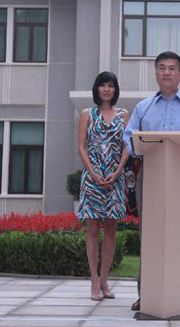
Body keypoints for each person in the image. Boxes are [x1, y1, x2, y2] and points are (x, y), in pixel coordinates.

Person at [123, 51, 180, 312]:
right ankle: (146, 293)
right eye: (162, 68)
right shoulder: (143, 107)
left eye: (172, 68)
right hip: (148, 175)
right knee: (148, 235)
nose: (166, 72)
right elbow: (129, 139)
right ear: (155, 73)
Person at [77, 71, 129, 302]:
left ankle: (105, 278)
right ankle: (94, 281)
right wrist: (94, 174)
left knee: (110, 230)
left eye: (111, 85)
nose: (107, 89)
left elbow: (128, 146)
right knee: (92, 230)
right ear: (96, 88)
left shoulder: (124, 115)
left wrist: (118, 171)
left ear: (115, 90)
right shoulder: (87, 114)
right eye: (103, 85)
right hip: (92, 180)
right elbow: (81, 147)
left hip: (115, 180)